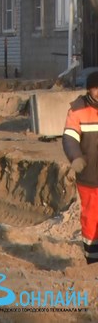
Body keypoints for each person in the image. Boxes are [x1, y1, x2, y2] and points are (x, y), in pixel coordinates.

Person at [62, 71, 98, 264]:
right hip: (90, 177)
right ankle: (92, 262)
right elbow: (69, 137)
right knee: (91, 221)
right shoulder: (77, 110)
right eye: (95, 88)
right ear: (89, 89)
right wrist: (75, 157)